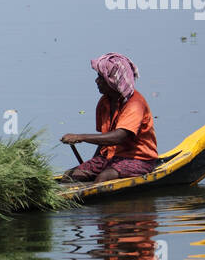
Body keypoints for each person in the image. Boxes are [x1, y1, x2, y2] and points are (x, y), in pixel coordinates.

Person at [60, 53, 159, 183]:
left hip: (139, 160)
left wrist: (80, 137)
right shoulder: (104, 102)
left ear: (113, 80)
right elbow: (105, 139)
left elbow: (119, 136)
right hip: (110, 157)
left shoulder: (135, 103)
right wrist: (92, 165)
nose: (97, 81)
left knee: (103, 178)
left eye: (101, 77)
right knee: (69, 176)